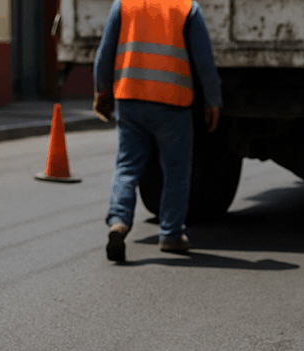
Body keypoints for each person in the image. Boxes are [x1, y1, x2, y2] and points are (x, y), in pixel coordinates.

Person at [93, 0, 223, 262]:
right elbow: (205, 61)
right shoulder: (187, 8)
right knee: (176, 171)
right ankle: (171, 234)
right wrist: (213, 101)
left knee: (127, 166)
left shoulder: (124, 5)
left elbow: (104, 54)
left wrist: (102, 90)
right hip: (172, 103)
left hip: (130, 99)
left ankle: (118, 222)